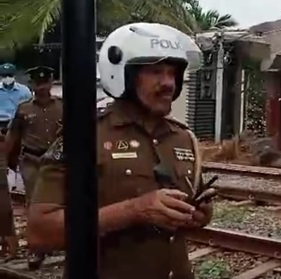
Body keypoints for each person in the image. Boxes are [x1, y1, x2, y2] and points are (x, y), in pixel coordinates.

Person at [27, 23, 215, 279]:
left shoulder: (183, 139)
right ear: (122, 75)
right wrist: (135, 211)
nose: (169, 83)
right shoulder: (84, 136)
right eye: (156, 71)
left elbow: (193, 207)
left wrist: (199, 215)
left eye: (173, 73)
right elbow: (40, 232)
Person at [5, 66, 62, 269]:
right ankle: (36, 249)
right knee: (34, 203)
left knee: (58, 203)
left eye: (45, 83)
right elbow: (13, 136)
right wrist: (6, 160)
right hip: (32, 160)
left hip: (56, 162)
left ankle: (55, 241)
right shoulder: (23, 109)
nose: (41, 87)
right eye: (37, 84)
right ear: (32, 85)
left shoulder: (63, 107)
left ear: (51, 82)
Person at [0, 63, 31, 259]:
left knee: (15, 179)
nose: (8, 78)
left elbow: (30, 111)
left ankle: (12, 242)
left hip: (18, 132)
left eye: (10, 75)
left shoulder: (24, 91)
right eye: (5, 75)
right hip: (1, 131)